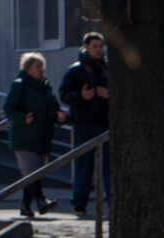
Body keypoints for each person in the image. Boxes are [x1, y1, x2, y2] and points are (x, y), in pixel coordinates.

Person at [58, 32, 111, 218]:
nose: (98, 49)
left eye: (100, 46)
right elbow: (64, 94)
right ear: (86, 47)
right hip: (84, 124)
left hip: (105, 124)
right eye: (95, 46)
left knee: (109, 166)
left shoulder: (106, 69)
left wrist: (108, 95)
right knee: (83, 165)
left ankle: (112, 203)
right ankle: (79, 203)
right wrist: (81, 96)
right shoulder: (76, 70)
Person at [4, 53, 62, 218]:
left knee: (34, 173)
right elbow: (9, 109)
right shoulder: (20, 85)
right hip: (24, 137)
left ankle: (26, 205)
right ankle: (41, 201)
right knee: (32, 172)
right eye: (37, 66)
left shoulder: (45, 87)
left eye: (42, 66)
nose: (41, 70)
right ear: (27, 68)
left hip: (42, 136)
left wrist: (59, 116)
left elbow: (53, 107)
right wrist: (23, 118)